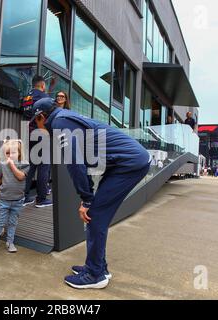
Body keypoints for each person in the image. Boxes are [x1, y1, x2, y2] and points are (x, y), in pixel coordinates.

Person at [32, 97, 150, 289]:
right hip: (125, 163)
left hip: (129, 164)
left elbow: (74, 164)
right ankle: (98, 267)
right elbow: (84, 163)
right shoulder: (65, 118)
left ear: (42, 117)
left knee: (94, 216)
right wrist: (88, 196)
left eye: (35, 122)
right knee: (96, 216)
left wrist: (86, 200)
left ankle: (95, 275)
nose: (36, 127)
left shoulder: (60, 122)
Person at [22, 75, 53, 208]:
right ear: (42, 85)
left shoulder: (26, 97)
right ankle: (41, 199)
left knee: (31, 165)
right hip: (41, 133)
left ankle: (24, 197)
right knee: (44, 166)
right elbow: (51, 113)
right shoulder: (44, 97)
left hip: (28, 133)